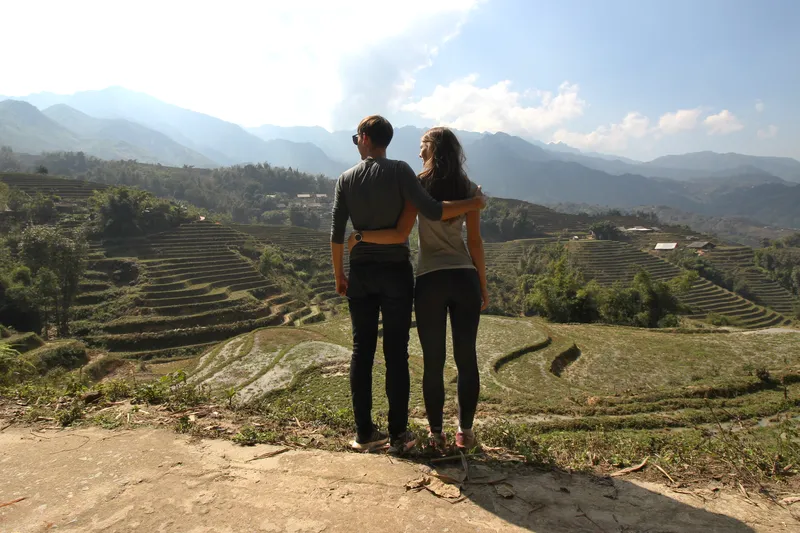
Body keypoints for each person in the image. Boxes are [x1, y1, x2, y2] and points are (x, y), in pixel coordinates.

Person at [330, 116, 486, 455]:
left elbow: (383, 232)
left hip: (403, 276)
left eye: (422, 149)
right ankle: (438, 434)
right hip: (434, 275)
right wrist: (483, 284)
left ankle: (405, 433)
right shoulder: (459, 187)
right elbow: (469, 240)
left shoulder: (394, 183)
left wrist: (348, 255)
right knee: (443, 357)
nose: (418, 155)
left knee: (394, 356)